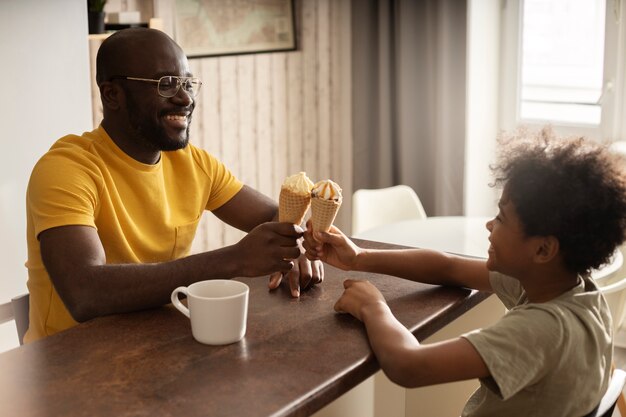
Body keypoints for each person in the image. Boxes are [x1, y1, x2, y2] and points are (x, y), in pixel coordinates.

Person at [25, 28, 322, 343]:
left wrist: (296, 244)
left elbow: (275, 218)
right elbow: (85, 293)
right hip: (67, 369)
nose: (186, 99)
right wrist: (235, 259)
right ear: (112, 95)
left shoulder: (193, 163)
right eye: (165, 84)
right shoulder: (66, 169)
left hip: (158, 347)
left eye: (187, 83)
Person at [304, 128, 626, 416]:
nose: (489, 224)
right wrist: (358, 257)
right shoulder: (573, 291)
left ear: (543, 249)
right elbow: (450, 267)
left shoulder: (539, 331)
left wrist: (373, 306)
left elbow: (409, 366)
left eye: (500, 218)